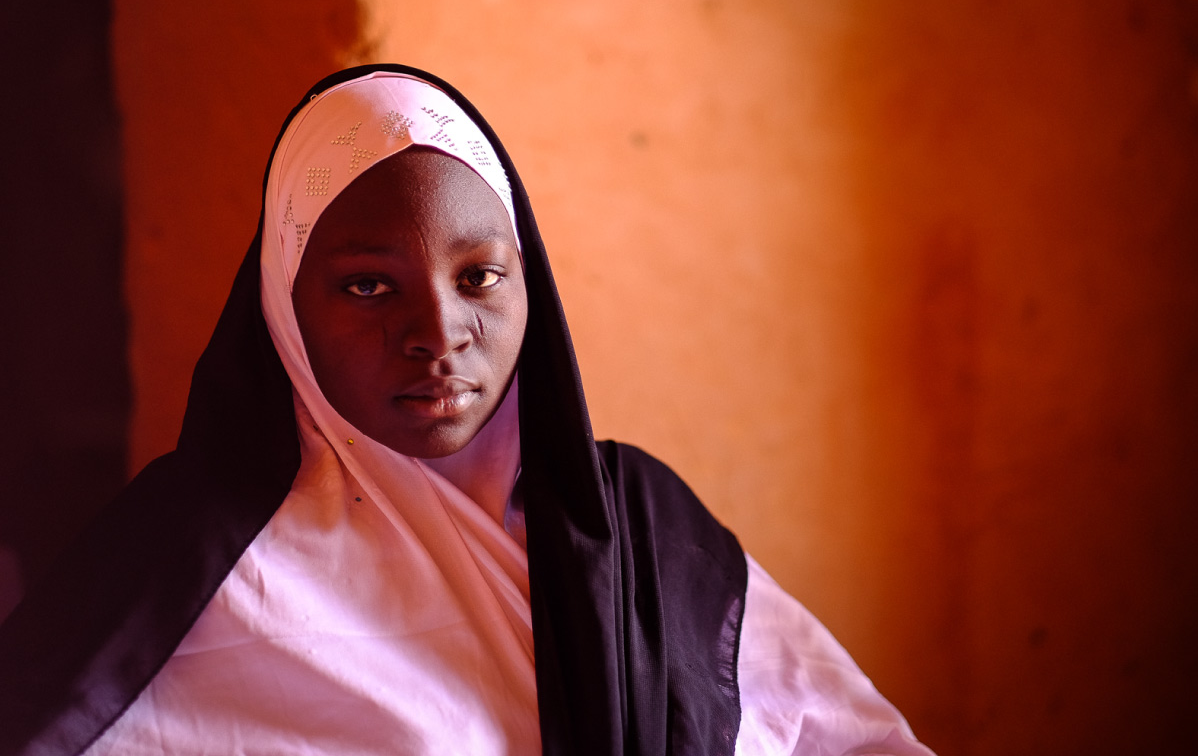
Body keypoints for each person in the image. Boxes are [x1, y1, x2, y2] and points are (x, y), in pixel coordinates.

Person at [0, 66, 935, 756]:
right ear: (286, 310)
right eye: (368, 287)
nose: (438, 334)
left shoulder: (640, 532)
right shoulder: (174, 570)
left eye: (480, 277)